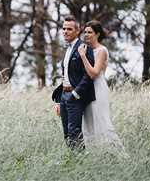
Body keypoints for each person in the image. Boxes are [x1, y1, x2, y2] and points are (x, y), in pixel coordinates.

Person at [77, 20, 124, 148]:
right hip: (86, 90)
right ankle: (95, 154)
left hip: (98, 88)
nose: (86, 34)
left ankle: (117, 155)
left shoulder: (101, 50)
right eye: (85, 32)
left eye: (90, 32)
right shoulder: (85, 49)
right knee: (87, 124)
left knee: (101, 122)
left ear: (97, 34)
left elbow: (94, 73)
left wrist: (83, 57)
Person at [51, 16, 96, 150]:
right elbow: (66, 76)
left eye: (69, 29)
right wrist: (59, 100)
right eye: (64, 29)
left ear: (77, 31)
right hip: (64, 96)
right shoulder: (67, 49)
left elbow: (88, 75)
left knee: (74, 132)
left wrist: (75, 94)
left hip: (75, 96)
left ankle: (80, 163)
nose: (65, 31)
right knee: (66, 133)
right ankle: (72, 164)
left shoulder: (84, 48)